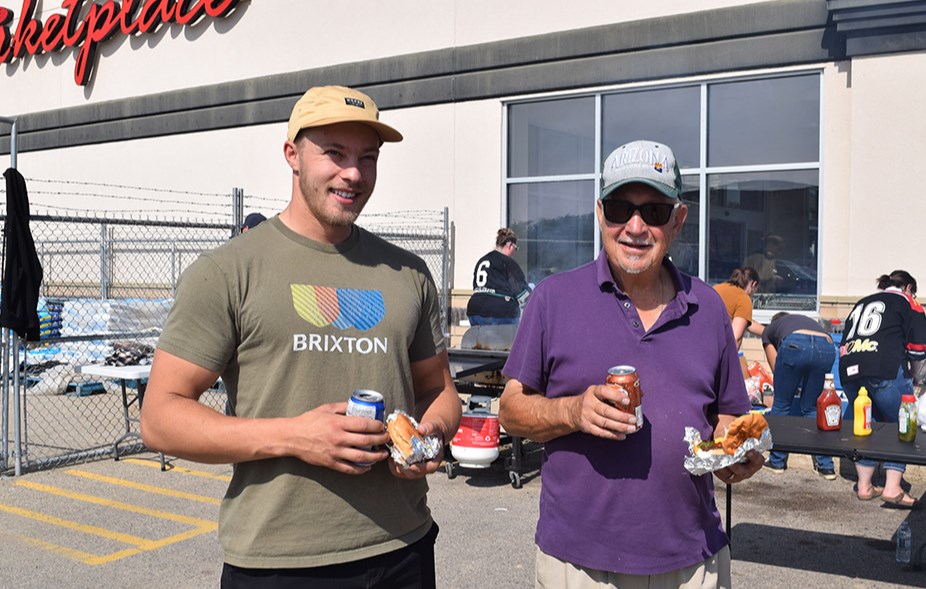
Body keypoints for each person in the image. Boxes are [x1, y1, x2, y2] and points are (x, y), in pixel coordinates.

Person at [140, 85, 462, 588]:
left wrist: (432, 437)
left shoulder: (408, 273)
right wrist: (294, 436)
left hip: (403, 548)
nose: (353, 173)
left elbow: (439, 389)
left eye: (367, 158)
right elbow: (160, 417)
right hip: (279, 562)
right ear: (292, 154)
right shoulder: (228, 271)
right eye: (333, 153)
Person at [498, 139, 764, 588]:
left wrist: (732, 452)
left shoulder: (709, 307)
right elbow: (510, 411)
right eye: (622, 208)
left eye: (654, 212)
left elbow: (728, 415)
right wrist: (571, 411)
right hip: (578, 566)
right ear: (601, 213)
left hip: (691, 562)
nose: (635, 227)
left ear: (678, 221)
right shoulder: (553, 299)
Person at [839, 270, 926, 508]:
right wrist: (916, 378)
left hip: (849, 371)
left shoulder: (862, 302)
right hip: (883, 368)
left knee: (868, 425)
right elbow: (919, 346)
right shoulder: (908, 301)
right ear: (908, 288)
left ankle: (865, 486)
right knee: (903, 423)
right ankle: (892, 487)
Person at [761, 312, 837, 479]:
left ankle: (777, 461)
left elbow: (776, 369)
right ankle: (825, 466)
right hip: (827, 346)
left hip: (796, 346)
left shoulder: (769, 330)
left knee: (781, 405)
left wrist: (791, 383)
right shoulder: (803, 321)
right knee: (812, 408)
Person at [466, 228, 530, 325]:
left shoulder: (482, 260)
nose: (515, 252)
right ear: (509, 245)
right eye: (515, 248)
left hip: (474, 310)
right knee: (510, 339)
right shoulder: (507, 262)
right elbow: (522, 292)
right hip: (499, 312)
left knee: (482, 340)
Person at [713, 266, 764, 349]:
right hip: (716, 348)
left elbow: (746, 323)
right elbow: (735, 338)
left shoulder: (716, 288)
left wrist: (768, 332)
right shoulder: (743, 298)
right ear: (753, 284)